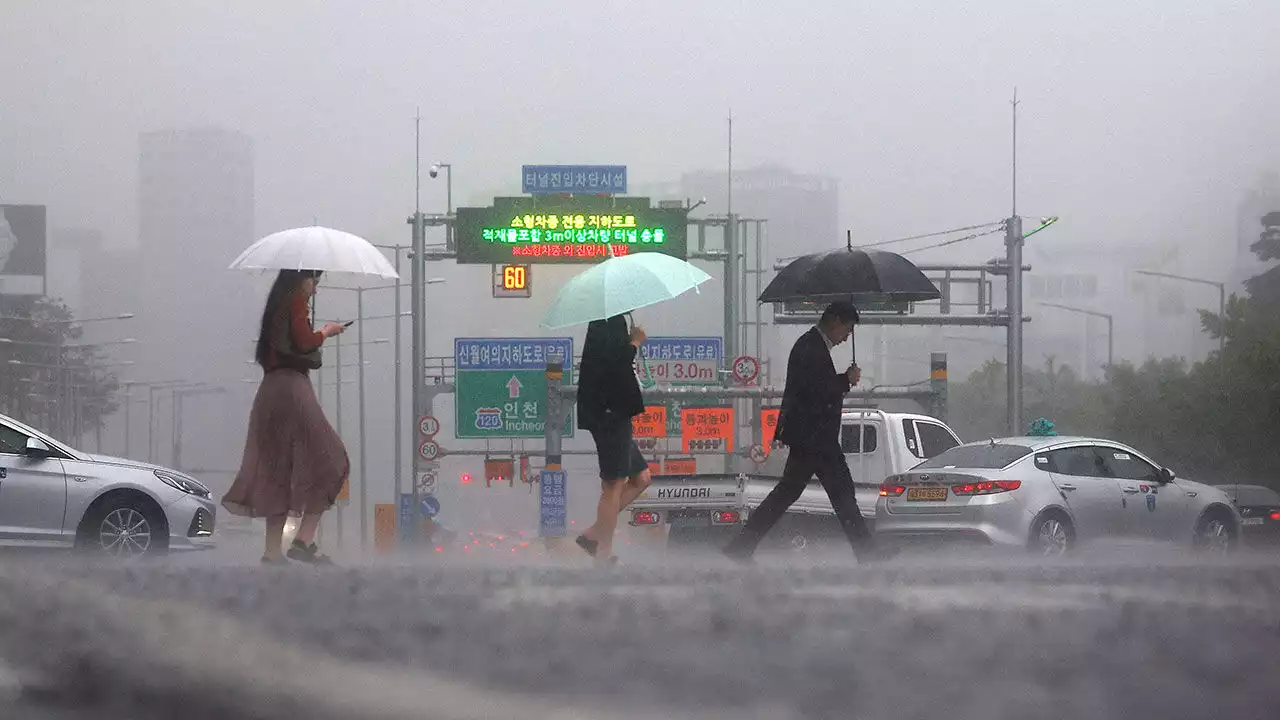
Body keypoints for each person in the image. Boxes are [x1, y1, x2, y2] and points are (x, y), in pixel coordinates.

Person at [723, 300, 882, 563]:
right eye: (848, 329)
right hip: (815, 436)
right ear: (835, 321)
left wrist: (842, 380)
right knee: (841, 494)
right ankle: (866, 552)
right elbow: (816, 390)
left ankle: (741, 546)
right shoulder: (810, 347)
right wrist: (845, 380)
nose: (847, 337)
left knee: (790, 492)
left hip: (811, 436)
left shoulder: (811, 345)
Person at [222, 269, 350, 565]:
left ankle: (271, 552)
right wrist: (326, 332)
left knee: (278, 467)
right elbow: (305, 342)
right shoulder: (295, 301)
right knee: (333, 459)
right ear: (299, 279)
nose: (315, 289)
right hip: (292, 388)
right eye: (313, 281)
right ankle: (303, 540)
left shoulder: (275, 308)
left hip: (270, 391)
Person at [574, 313, 653, 565]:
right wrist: (635, 343)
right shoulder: (606, 322)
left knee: (642, 478)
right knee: (613, 485)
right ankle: (602, 552)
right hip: (610, 413)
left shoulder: (607, 322)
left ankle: (594, 534)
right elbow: (616, 364)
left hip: (613, 412)